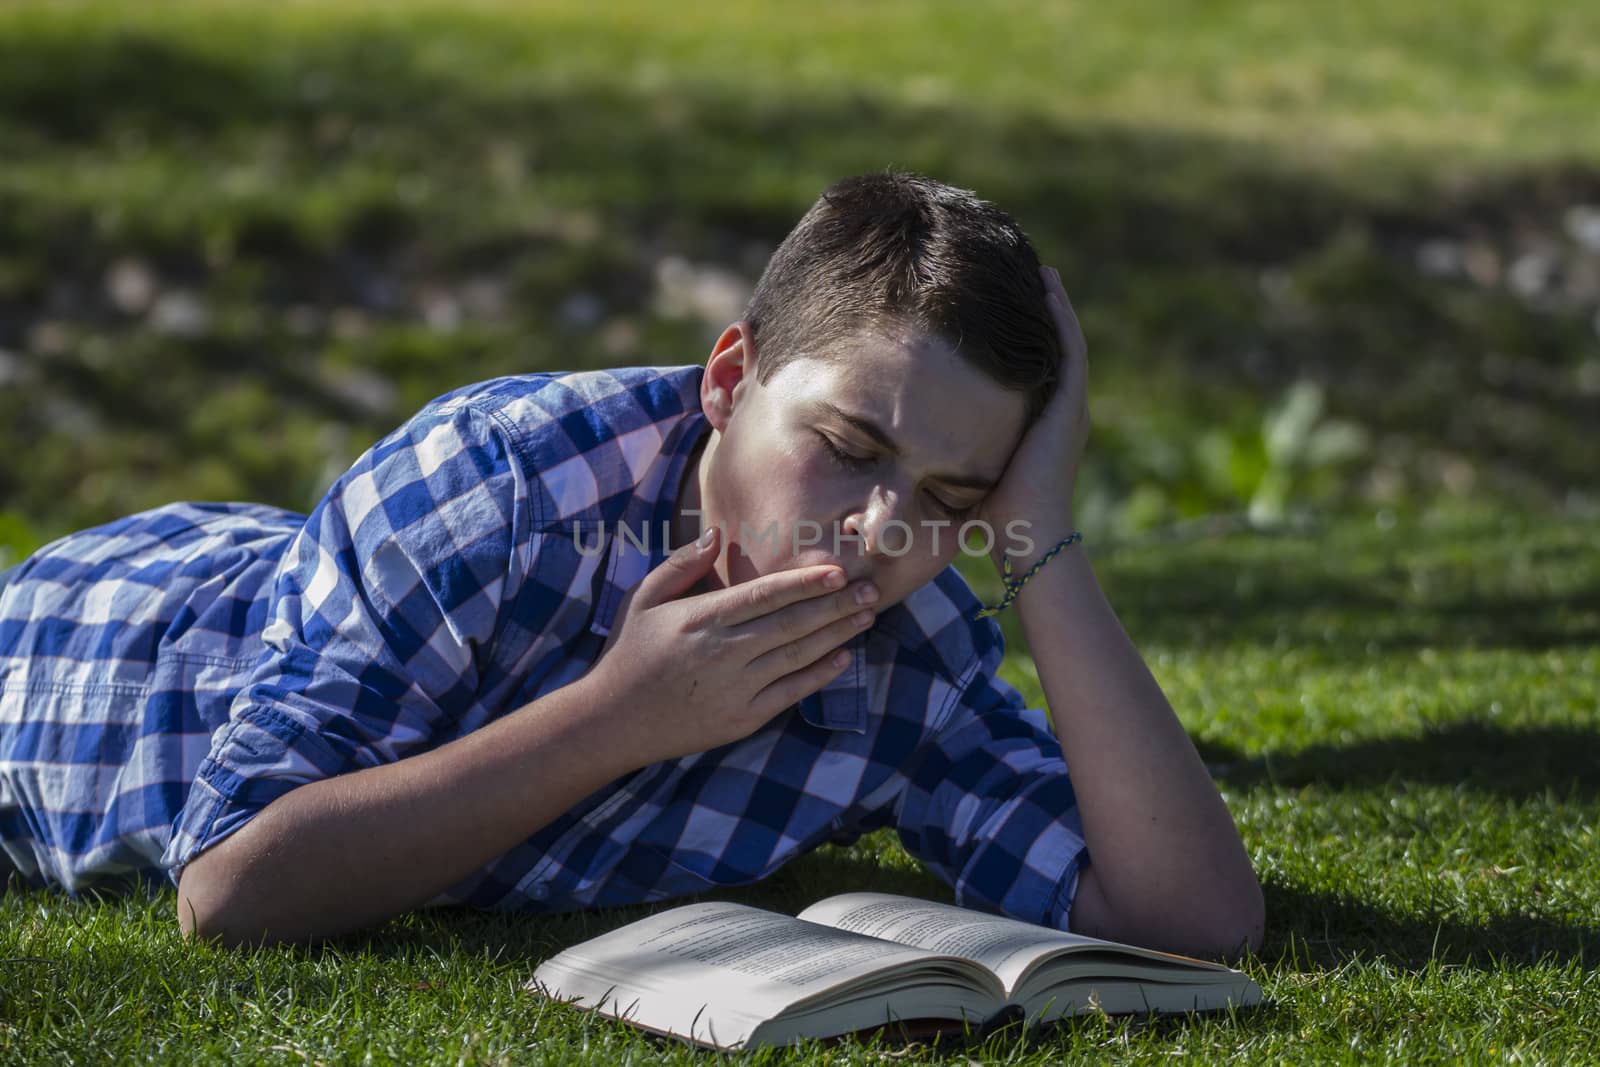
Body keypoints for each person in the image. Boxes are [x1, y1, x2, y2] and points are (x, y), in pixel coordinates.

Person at [0, 172, 1263, 956]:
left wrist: (1037, 533)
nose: (883, 528)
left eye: (951, 492)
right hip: (84, 661)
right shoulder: (496, 486)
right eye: (844, 444)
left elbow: (1193, 918)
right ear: (728, 380)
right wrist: (619, 716)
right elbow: (229, 888)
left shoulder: (904, 647)